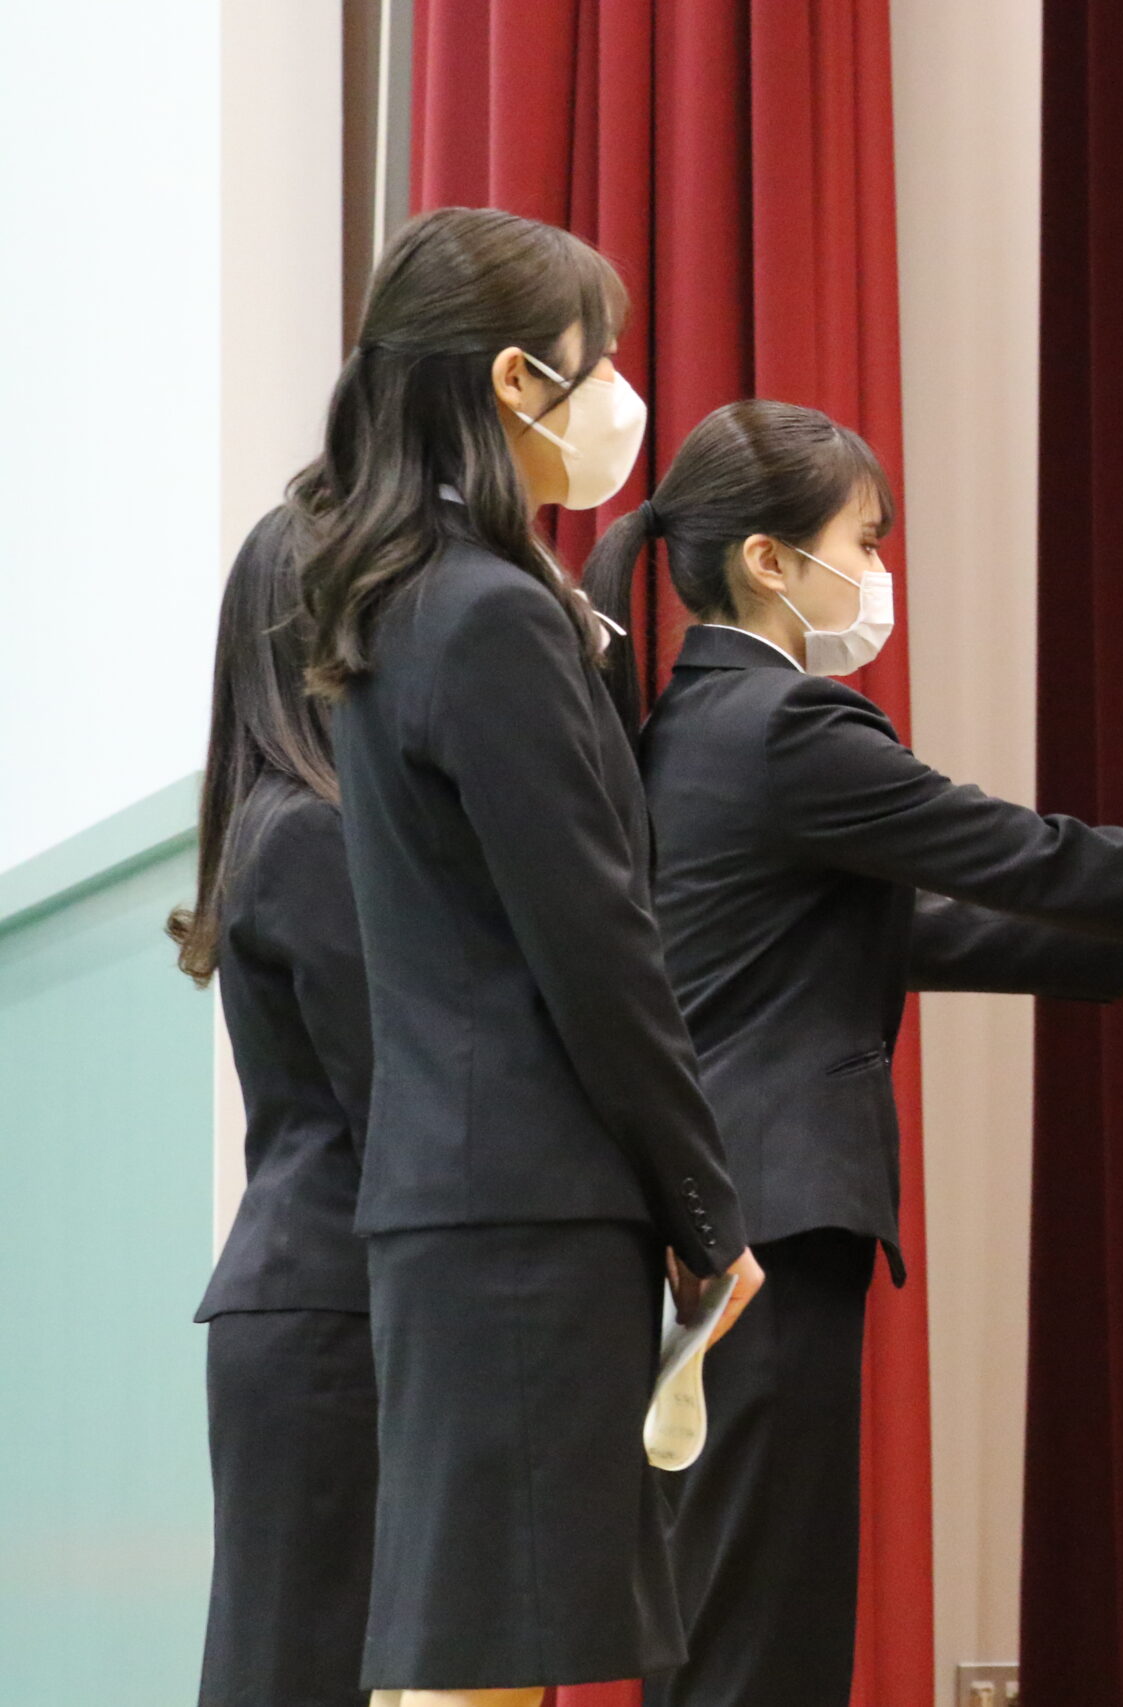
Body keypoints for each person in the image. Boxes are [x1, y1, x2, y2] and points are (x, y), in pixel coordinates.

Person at [579, 399, 1123, 1707]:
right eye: (863, 540)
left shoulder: (689, 723)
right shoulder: (792, 729)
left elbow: (886, 932)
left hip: (720, 1207)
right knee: (762, 1619)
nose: (876, 572)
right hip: (773, 1207)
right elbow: (1032, 853)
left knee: (738, 1597)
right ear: (769, 556)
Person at [298, 206, 764, 1707]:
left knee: (465, 1658)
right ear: (514, 382)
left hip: (461, 1202)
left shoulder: (404, 598)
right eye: (599, 358)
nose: (621, 388)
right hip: (527, 1209)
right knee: (486, 1669)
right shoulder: (494, 615)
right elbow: (600, 946)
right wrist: (705, 1203)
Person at [173, 503, 379, 1707]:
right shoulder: (308, 833)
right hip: (326, 1313)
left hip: (316, 1305)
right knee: (300, 1671)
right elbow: (392, 1088)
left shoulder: (283, 825)